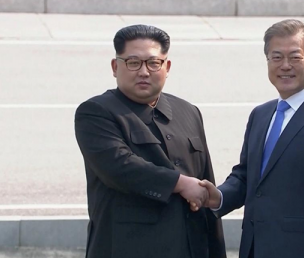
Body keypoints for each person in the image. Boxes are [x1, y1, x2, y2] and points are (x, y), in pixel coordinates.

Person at [197, 19, 304, 258]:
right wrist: (218, 196)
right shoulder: (261, 114)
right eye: (276, 57)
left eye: (295, 57)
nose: (285, 66)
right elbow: (245, 176)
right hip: (254, 248)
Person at [74, 24, 226, 258]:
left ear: (167, 67)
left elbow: (204, 185)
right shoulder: (96, 112)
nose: (144, 72)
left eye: (154, 63)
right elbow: (120, 166)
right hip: (128, 248)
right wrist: (181, 183)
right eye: (133, 62)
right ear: (115, 67)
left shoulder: (188, 111)